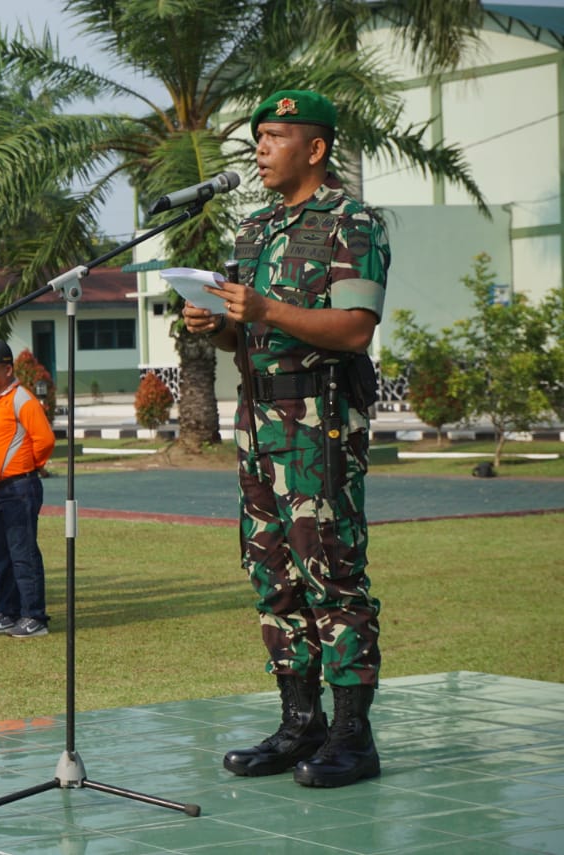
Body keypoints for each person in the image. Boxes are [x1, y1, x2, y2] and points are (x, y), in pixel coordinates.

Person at [183, 89, 388, 789]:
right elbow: (251, 331)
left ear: (316, 148)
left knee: (330, 571)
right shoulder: (255, 228)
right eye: (258, 136)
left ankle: (354, 735)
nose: (260, 149)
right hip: (258, 423)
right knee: (271, 572)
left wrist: (266, 306)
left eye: (274, 136)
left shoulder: (350, 222)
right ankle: (301, 721)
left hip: (319, 423)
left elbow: (356, 326)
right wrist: (219, 323)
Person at [0, 339, 55, 638]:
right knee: (0, 554)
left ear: (8, 369)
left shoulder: (22, 399)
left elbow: (44, 440)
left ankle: (34, 616)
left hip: (17, 488)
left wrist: (26, 466)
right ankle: (8, 611)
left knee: (22, 553)